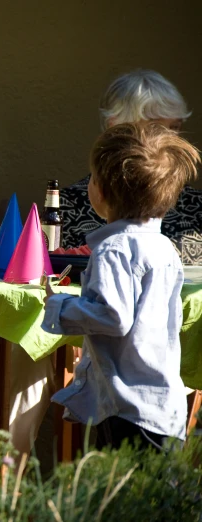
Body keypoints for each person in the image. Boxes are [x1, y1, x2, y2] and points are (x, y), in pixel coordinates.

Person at [44, 121, 199, 450]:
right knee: (152, 499)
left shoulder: (114, 249)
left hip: (129, 410)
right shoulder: (164, 248)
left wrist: (60, 305)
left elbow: (114, 317)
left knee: (122, 494)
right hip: (163, 406)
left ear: (99, 191)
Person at [60, 69, 202, 264]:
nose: (169, 138)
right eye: (155, 127)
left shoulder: (196, 206)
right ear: (116, 127)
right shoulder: (68, 206)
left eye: (175, 127)